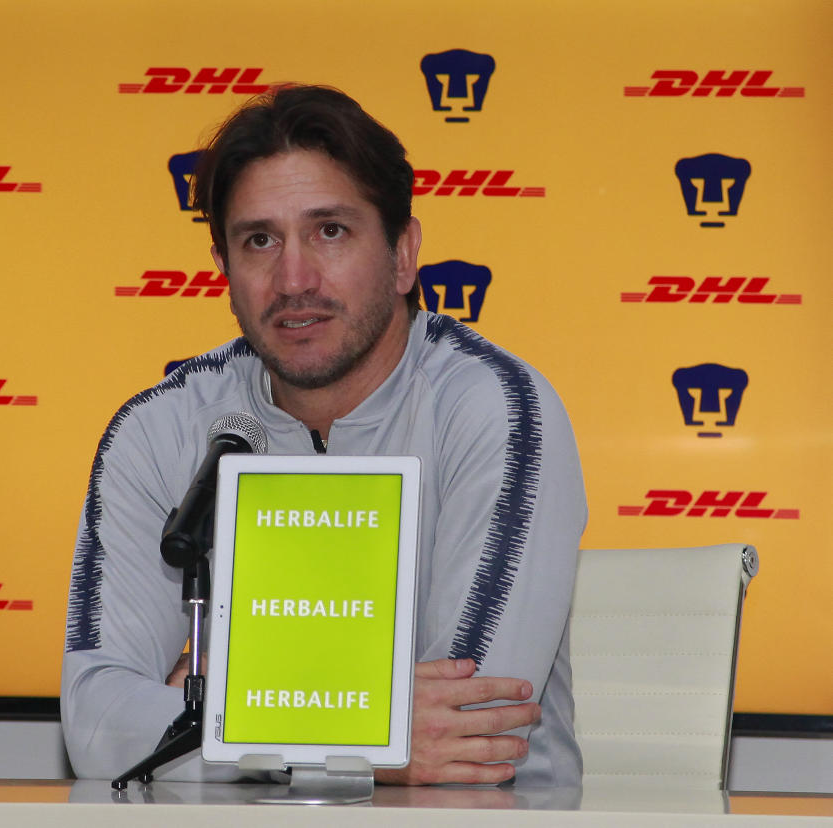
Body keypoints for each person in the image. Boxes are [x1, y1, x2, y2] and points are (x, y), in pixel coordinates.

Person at [62, 85, 586, 787]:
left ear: (404, 254)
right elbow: (97, 724)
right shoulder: (160, 429)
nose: (294, 278)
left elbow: (466, 726)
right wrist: (345, 740)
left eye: (330, 231)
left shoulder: (494, 408)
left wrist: (216, 696)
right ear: (223, 269)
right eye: (259, 241)